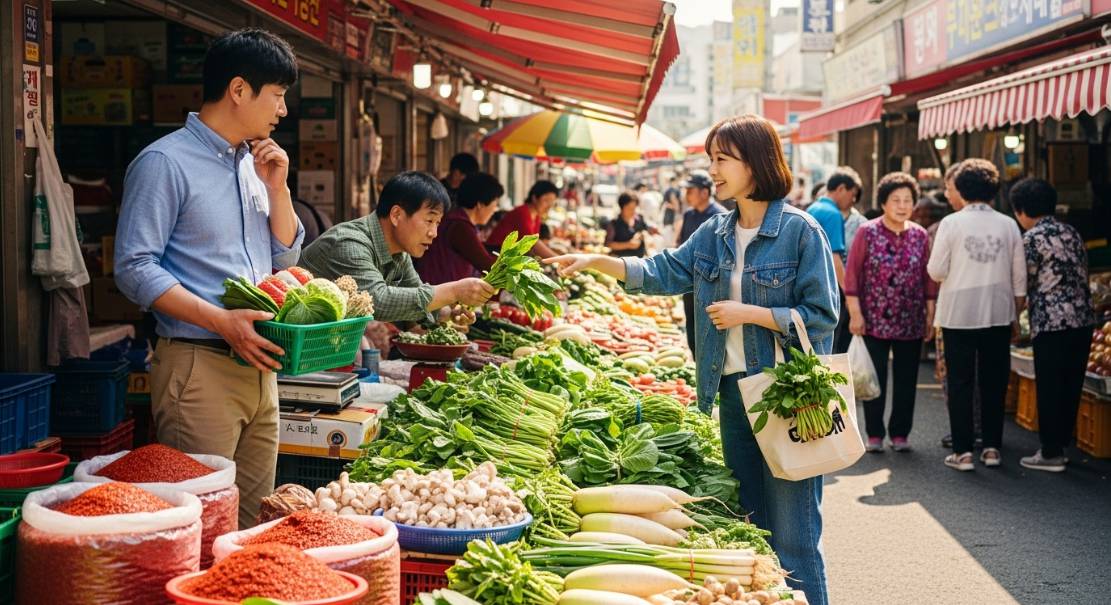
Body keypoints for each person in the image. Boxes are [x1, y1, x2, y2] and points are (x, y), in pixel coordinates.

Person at [545, 115, 837, 605]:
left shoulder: (800, 232)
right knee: (753, 529)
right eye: (711, 160)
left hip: (786, 397)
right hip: (730, 393)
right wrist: (601, 262)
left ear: (756, 163)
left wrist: (755, 314)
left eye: (722, 160)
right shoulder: (716, 231)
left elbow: (822, 317)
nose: (713, 171)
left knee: (795, 536)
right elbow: (665, 270)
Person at [114, 29, 303, 528]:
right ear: (239, 90)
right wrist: (221, 321)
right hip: (200, 367)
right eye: (278, 96)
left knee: (253, 522)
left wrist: (279, 189)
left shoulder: (254, 164)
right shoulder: (164, 162)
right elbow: (133, 268)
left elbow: (285, 257)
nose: (282, 110)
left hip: (261, 368)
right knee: (199, 525)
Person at [928, 159, 1025, 471]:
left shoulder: (952, 223)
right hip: (998, 312)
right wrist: (1016, 313)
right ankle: (993, 449)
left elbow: (936, 270)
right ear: (993, 189)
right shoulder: (1008, 224)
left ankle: (963, 452)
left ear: (962, 189)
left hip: (958, 313)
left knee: (960, 382)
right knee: (994, 382)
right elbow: (1019, 278)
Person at [299, 171, 496, 323]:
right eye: (429, 220)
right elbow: (379, 301)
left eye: (437, 223)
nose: (434, 233)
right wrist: (454, 291)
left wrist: (447, 313)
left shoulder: (399, 252)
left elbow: (415, 293)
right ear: (396, 215)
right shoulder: (350, 243)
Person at [845, 172, 937, 453]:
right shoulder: (867, 232)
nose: (902, 205)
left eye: (908, 200)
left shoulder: (920, 235)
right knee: (875, 378)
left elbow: (929, 280)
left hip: (911, 319)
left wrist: (930, 316)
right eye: (895, 199)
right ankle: (874, 434)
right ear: (883, 203)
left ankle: (900, 434)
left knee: (907, 379)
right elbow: (852, 276)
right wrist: (855, 314)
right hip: (872, 319)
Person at [1010, 178, 1095, 472]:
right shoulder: (1071, 232)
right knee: (1071, 383)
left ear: (1021, 210)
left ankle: (1050, 452)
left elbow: (1025, 281)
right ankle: (1061, 443)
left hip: (1051, 321)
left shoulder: (1031, 239)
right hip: (1083, 318)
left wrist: (1014, 318)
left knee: (1049, 383)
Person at [809, 166, 862, 354]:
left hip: (811, 283)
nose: (853, 200)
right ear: (841, 189)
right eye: (852, 194)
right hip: (828, 287)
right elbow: (835, 258)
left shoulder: (813, 207)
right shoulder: (833, 214)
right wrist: (849, 293)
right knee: (835, 347)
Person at [415, 172, 503, 285]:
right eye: (495, 204)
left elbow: (479, 249)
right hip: (439, 295)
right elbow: (488, 266)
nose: (495, 210)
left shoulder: (458, 221)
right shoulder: (460, 227)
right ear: (480, 204)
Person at [676, 170, 728, 354]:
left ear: (705, 193)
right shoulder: (689, 215)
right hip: (690, 283)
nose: (686, 195)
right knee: (692, 329)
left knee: (711, 335)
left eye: (691, 190)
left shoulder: (721, 217)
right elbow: (682, 245)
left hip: (713, 286)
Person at [485, 180, 560, 258]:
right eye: (546, 200)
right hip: (495, 254)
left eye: (552, 202)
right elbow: (533, 244)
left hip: (509, 255)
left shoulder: (536, 216)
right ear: (534, 198)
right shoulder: (522, 212)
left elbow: (535, 242)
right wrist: (558, 259)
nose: (549, 206)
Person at [605, 191, 658, 257]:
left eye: (634, 208)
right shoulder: (614, 223)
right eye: (629, 208)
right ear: (622, 207)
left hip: (639, 261)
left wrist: (643, 235)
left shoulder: (639, 219)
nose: (633, 211)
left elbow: (645, 231)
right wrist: (628, 244)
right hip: (620, 262)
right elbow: (608, 244)